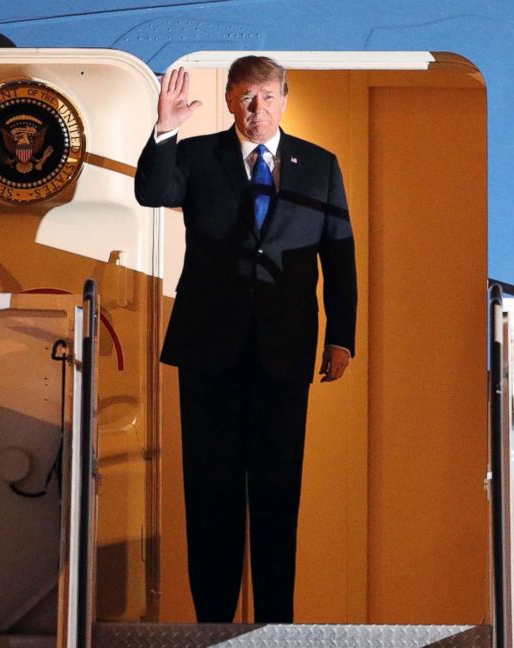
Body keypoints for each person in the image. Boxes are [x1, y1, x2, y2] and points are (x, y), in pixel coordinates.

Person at [134, 56, 357, 624]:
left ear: (284, 98)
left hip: (284, 351)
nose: (256, 109)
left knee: (279, 495)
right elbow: (152, 192)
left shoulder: (321, 166)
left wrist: (342, 336)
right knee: (212, 495)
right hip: (209, 350)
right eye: (245, 98)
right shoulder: (196, 154)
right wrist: (164, 129)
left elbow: (340, 255)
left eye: (266, 96)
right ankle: (212, 627)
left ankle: (275, 628)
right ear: (231, 100)